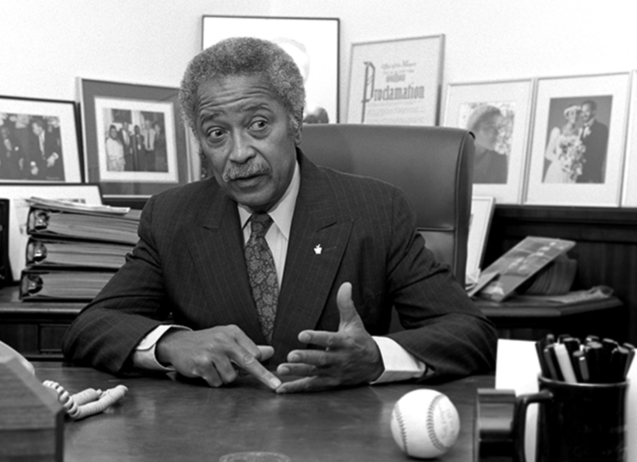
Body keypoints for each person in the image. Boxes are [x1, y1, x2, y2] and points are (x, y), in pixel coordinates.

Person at [63, 37, 497, 393]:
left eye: (258, 125)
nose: (238, 153)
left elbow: (470, 333)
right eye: (216, 133)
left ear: (295, 122)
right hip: (211, 436)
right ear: (200, 143)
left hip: (340, 435)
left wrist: (377, 358)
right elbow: (90, 327)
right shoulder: (172, 217)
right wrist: (171, 344)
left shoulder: (376, 210)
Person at [466, 105, 508, 184]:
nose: (496, 133)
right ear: (473, 130)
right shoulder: (458, 158)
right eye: (490, 127)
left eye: (499, 128)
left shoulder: (499, 161)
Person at [543, 104, 585, 183]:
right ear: (567, 116)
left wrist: (574, 161)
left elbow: (579, 153)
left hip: (570, 172)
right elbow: (548, 153)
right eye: (572, 113)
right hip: (557, 171)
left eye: (576, 113)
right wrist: (561, 160)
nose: (575, 116)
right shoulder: (557, 131)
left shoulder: (579, 133)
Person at [576, 100, 609, 184]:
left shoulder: (601, 128)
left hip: (592, 178)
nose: (583, 114)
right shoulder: (581, 129)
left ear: (594, 112)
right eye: (582, 112)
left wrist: (592, 179)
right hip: (579, 177)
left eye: (587, 111)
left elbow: (599, 155)